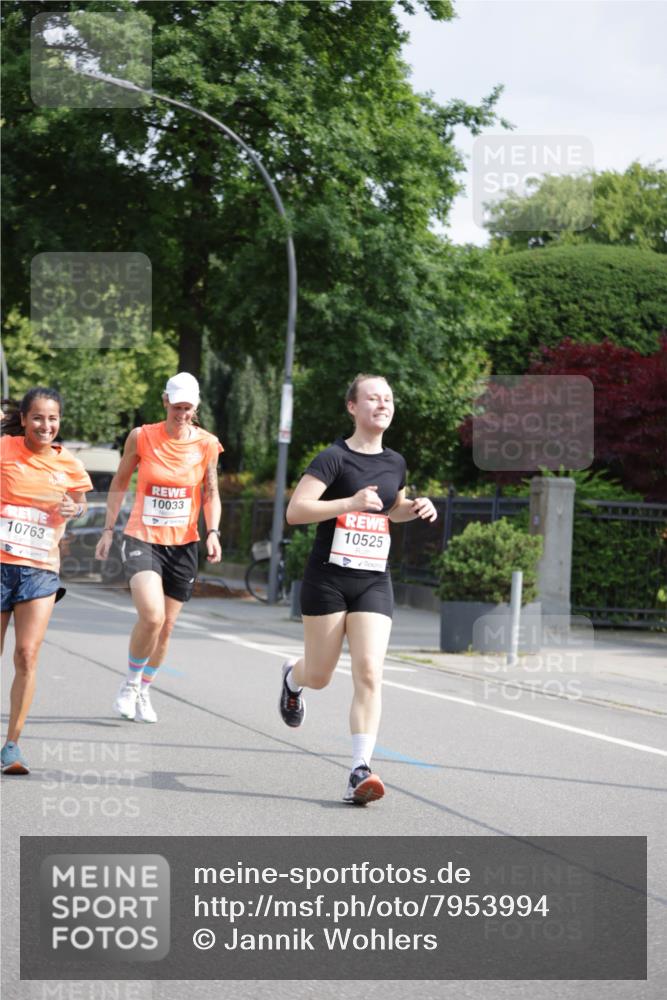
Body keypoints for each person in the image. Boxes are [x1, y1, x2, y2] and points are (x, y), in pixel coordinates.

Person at [280, 374, 437, 804]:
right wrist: (347, 503)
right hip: (328, 578)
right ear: (353, 407)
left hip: (373, 579)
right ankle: (293, 679)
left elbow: (391, 509)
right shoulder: (332, 458)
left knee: (369, 671)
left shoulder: (395, 462)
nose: (382, 404)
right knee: (321, 674)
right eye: (373, 398)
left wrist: (416, 507)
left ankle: (358, 770)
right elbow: (296, 511)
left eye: (388, 399)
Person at [95, 372, 223, 724]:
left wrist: (213, 531)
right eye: (176, 406)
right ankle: (130, 683)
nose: (181, 413)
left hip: (183, 545)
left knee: (166, 627)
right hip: (142, 537)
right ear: (165, 400)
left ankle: (145, 688)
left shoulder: (207, 444)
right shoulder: (142, 436)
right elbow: (120, 482)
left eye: (188, 408)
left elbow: (210, 493)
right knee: (151, 616)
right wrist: (108, 529)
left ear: (195, 407)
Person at [1, 388, 93, 775]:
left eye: (52, 418)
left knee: (27, 654)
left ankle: (12, 746)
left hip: (40, 568)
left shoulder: (69, 464)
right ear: (23, 419)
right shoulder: (4, 449)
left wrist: (75, 507)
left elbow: (80, 503)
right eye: (37, 417)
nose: (46, 425)